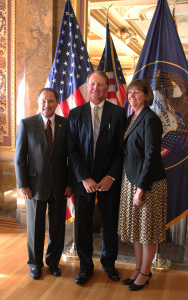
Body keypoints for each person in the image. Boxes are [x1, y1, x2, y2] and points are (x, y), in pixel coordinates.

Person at [67, 70, 127, 285]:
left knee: (109, 223)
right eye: (92, 84)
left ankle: (109, 263)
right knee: (83, 224)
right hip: (84, 182)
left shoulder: (119, 114)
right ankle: (85, 267)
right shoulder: (75, 114)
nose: (96, 88)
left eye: (100, 85)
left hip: (109, 181)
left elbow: (122, 150)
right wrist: (84, 178)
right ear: (87, 86)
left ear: (106, 88)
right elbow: (71, 151)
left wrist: (111, 176)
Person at [14, 87, 72, 280]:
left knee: (57, 228)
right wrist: (23, 185)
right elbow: (20, 158)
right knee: (35, 229)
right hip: (34, 186)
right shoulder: (27, 124)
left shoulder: (66, 124)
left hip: (59, 186)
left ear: (57, 103)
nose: (47, 105)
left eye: (51, 101)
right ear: (39, 103)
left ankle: (53, 262)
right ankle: (35, 264)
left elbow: (71, 157)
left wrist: (69, 183)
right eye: (43, 101)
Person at [118, 79, 167, 291]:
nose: (132, 96)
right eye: (130, 93)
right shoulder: (131, 118)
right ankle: (138, 268)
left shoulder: (151, 119)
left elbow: (150, 156)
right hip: (131, 180)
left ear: (146, 96)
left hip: (148, 184)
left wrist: (141, 188)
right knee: (137, 230)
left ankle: (146, 273)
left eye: (137, 93)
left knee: (148, 232)